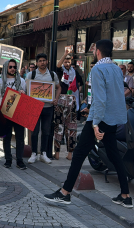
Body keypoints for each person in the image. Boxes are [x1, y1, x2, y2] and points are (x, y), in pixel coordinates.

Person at [44, 39, 132, 208]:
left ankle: (65, 193)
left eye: (93, 50)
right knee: (114, 155)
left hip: (100, 119)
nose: (93, 53)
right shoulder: (116, 68)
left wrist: (95, 124)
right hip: (112, 120)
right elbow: (117, 96)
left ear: (98, 51)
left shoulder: (98, 69)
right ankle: (125, 195)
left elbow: (100, 99)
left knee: (78, 154)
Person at [26, 53, 61, 165]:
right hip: (34, 108)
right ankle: (34, 153)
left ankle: (44, 153)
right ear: (36, 63)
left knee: (46, 131)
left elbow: (59, 87)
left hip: (48, 107)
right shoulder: (31, 74)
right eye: (40, 60)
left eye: (44, 60)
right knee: (34, 132)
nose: (42, 62)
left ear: (47, 62)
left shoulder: (52, 74)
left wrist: (56, 98)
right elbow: (26, 90)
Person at [0, 59, 27, 170]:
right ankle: (8, 160)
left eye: (14, 67)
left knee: (20, 138)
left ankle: (19, 161)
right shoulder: (0, 82)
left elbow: (26, 99)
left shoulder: (22, 81)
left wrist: (23, 94)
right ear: (6, 68)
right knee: (7, 137)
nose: (13, 69)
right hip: (5, 113)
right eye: (10, 67)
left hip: (19, 113)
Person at [55, 49, 80, 160]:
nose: (67, 63)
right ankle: (57, 152)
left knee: (71, 128)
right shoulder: (61, 71)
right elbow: (58, 65)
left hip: (72, 100)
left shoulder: (74, 72)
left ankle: (70, 153)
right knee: (59, 126)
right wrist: (64, 54)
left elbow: (79, 84)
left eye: (68, 61)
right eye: (65, 61)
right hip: (61, 99)